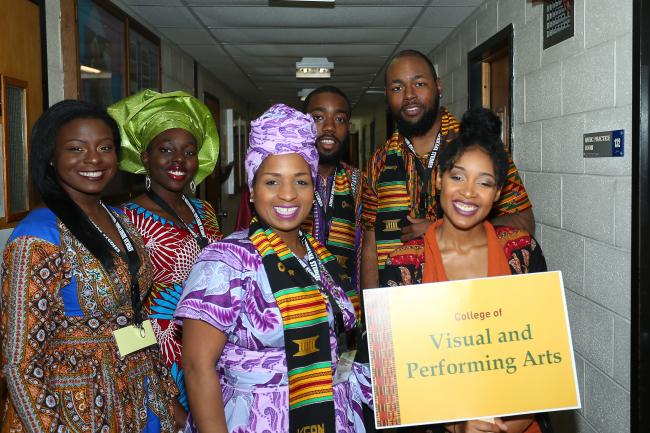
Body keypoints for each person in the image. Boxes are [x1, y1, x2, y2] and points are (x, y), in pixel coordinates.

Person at [174, 104, 372, 433]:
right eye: (272, 181)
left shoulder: (320, 257)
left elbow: (342, 346)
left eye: (301, 181)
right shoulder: (226, 260)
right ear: (252, 191)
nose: (288, 195)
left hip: (331, 414)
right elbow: (197, 366)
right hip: (258, 420)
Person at [0, 100, 177, 432]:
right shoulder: (37, 237)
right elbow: (20, 363)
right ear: (52, 157)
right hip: (74, 409)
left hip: (138, 394)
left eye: (105, 147)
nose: (94, 159)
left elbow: (132, 316)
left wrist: (168, 399)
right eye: (76, 148)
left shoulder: (120, 219)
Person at [385, 107, 547, 433]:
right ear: (440, 179)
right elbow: (398, 382)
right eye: (458, 177)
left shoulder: (522, 253)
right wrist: (459, 427)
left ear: (498, 193)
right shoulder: (404, 265)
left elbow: (543, 360)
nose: (469, 192)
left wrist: (502, 426)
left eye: (484, 183)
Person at [361, 49, 534, 289]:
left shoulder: (479, 149)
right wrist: (373, 318)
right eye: (397, 88)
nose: (409, 95)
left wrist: (442, 229)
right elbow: (370, 245)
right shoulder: (378, 161)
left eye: (419, 83)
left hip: (473, 298)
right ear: (387, 97)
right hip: (402, 310)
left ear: (439, 87)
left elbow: (525, 222)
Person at [108, 89, 223, 420]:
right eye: (166, 150)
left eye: (188, 152)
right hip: (157, 359)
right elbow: (120, 313)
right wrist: (158, 390)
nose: (178, 161)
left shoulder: (206, 211)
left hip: (212, 352)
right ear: (145, 157)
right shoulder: (123, 220)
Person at [303, 85, 363, 318]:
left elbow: (364, 251)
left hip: (347, 313)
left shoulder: (358, 182)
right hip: (291, 313)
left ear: (348, 127)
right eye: (318, 117)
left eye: (339, 119)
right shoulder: (284, 180)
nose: (329, 127)